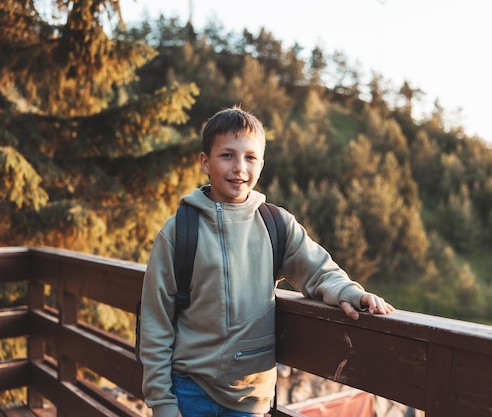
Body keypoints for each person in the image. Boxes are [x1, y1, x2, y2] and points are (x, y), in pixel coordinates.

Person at [139, 106, 395, 417]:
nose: (239, 168)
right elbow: (156, 322)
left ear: (261, 163)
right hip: (189, 390)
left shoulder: (276, 224)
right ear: (205, 162)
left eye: (250, 157)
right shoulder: (179, 231)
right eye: (227, 156)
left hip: (250, 398)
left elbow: (318, 270)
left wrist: (352, 293)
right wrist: (162, 402)